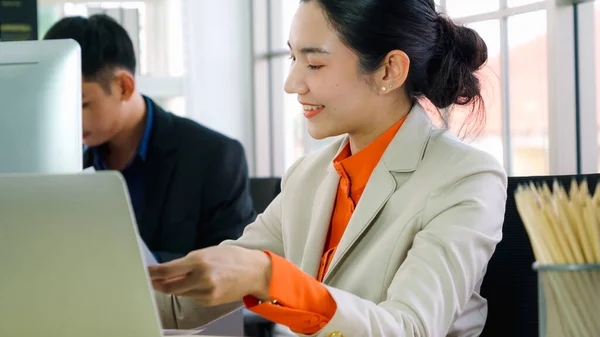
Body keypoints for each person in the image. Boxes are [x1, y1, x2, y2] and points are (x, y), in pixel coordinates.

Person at [150, 0, 507, 336]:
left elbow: (409, 328)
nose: (292, 84)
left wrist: (270, 277)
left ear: (389, 69)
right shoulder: (308, 176)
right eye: (293, 58)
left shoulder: (466, 178)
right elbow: (184, 305)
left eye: (315, 64)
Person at [44, 14, 256, 263]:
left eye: (82, 105)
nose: (67, 120)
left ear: (124, 87)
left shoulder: (214, 157)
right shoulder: (63, 163)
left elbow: (232, 272)